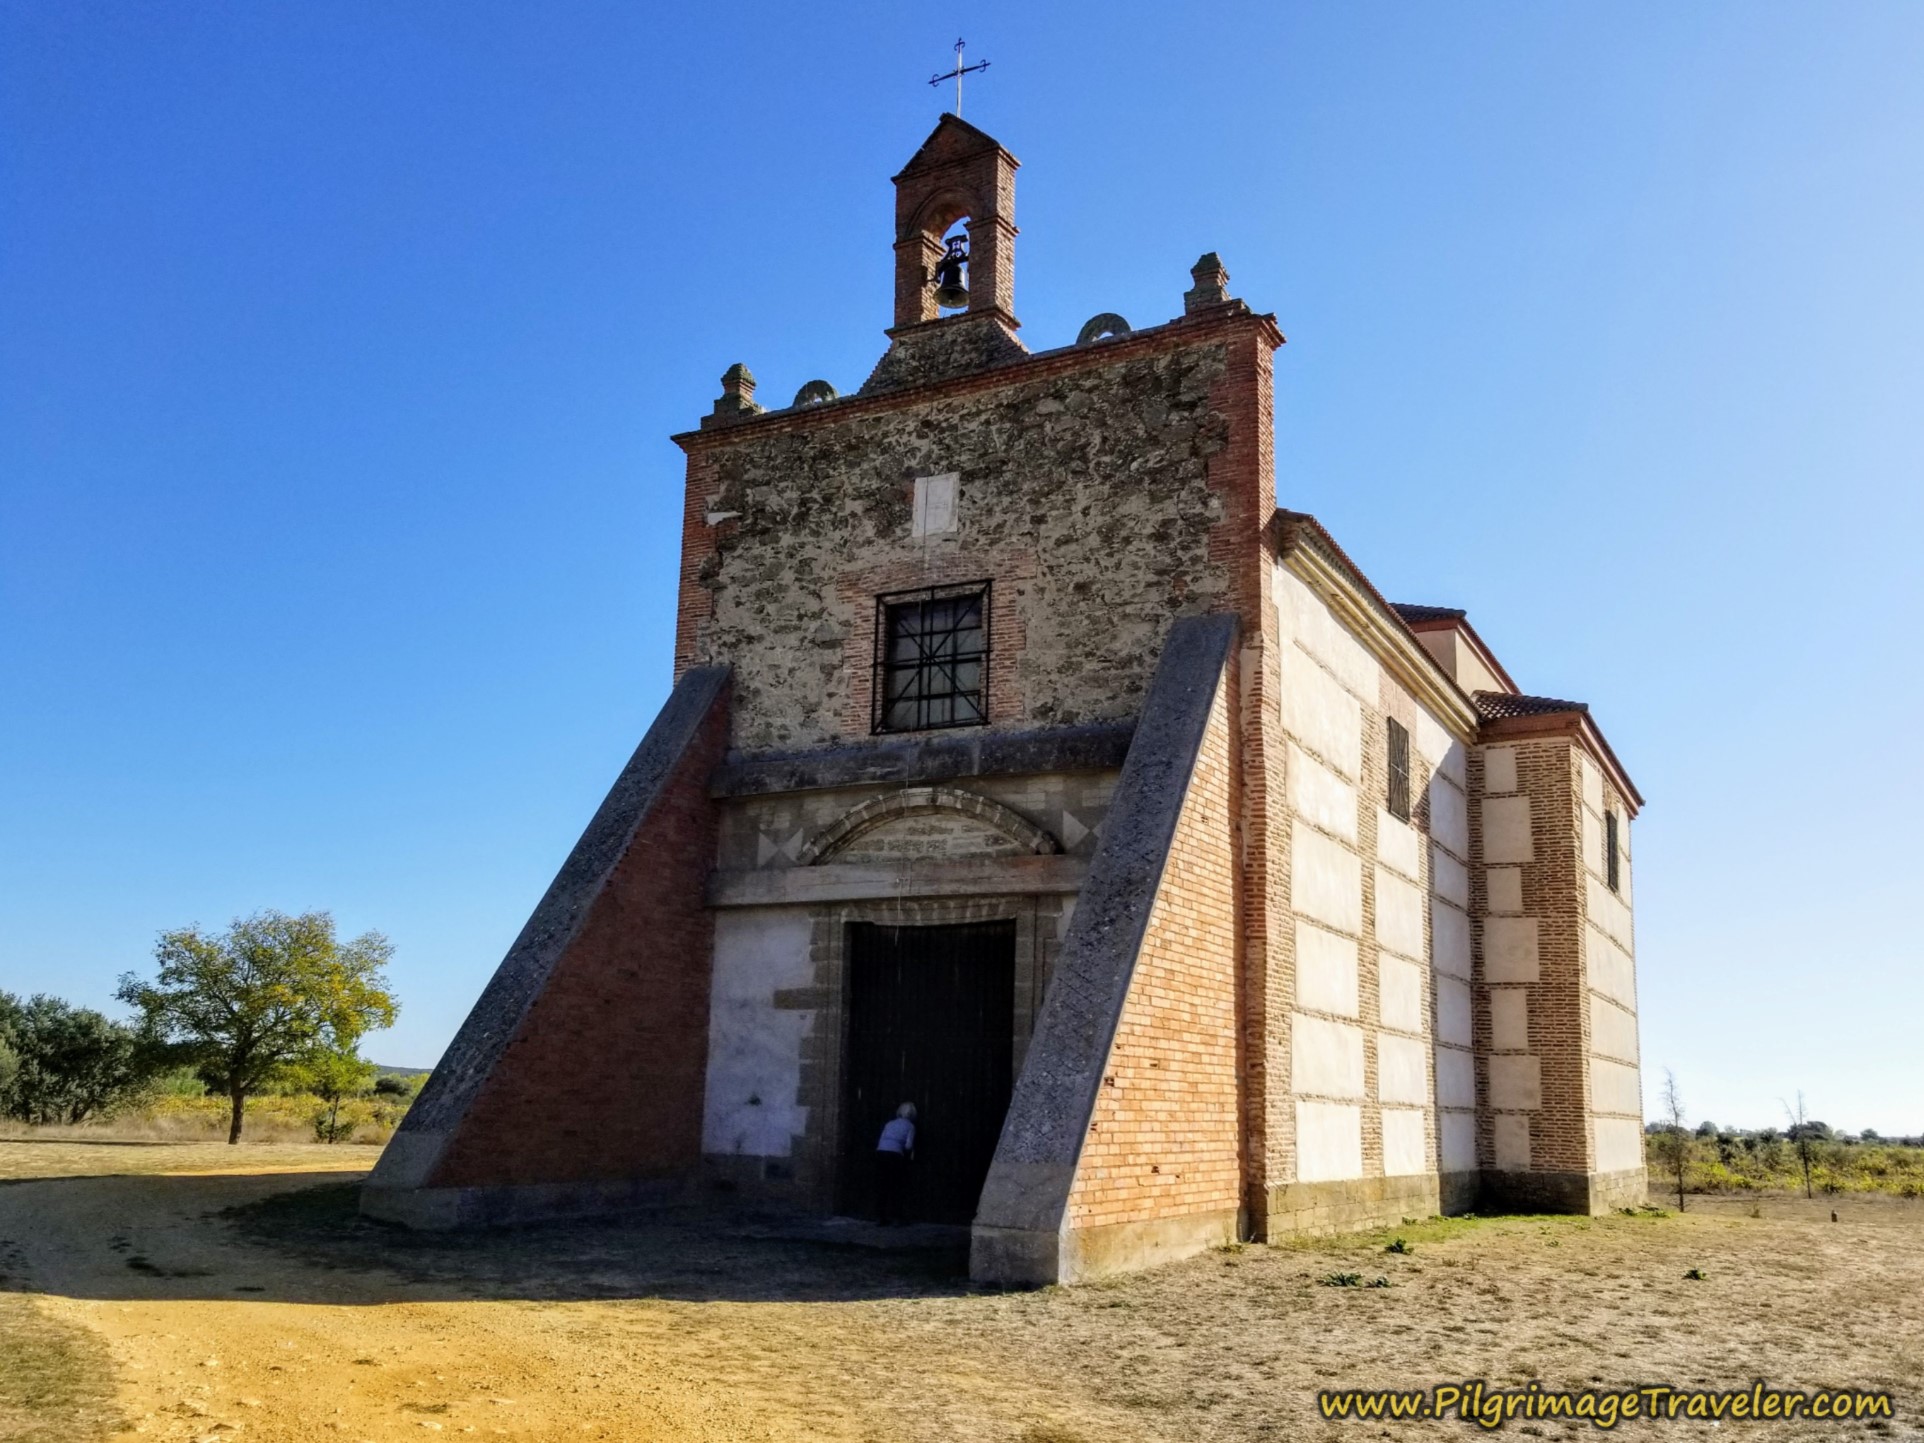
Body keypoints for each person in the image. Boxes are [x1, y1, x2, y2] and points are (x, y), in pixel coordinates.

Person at [874, 1102, 916, 1225]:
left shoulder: (889, 1123)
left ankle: (880, 1217)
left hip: (881, 1153)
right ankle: (897, 1218)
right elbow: (908, 1145)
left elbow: (881, 1139)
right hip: (895, 1155)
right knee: (896, 1187)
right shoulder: (910, 1126)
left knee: (882, 1186)